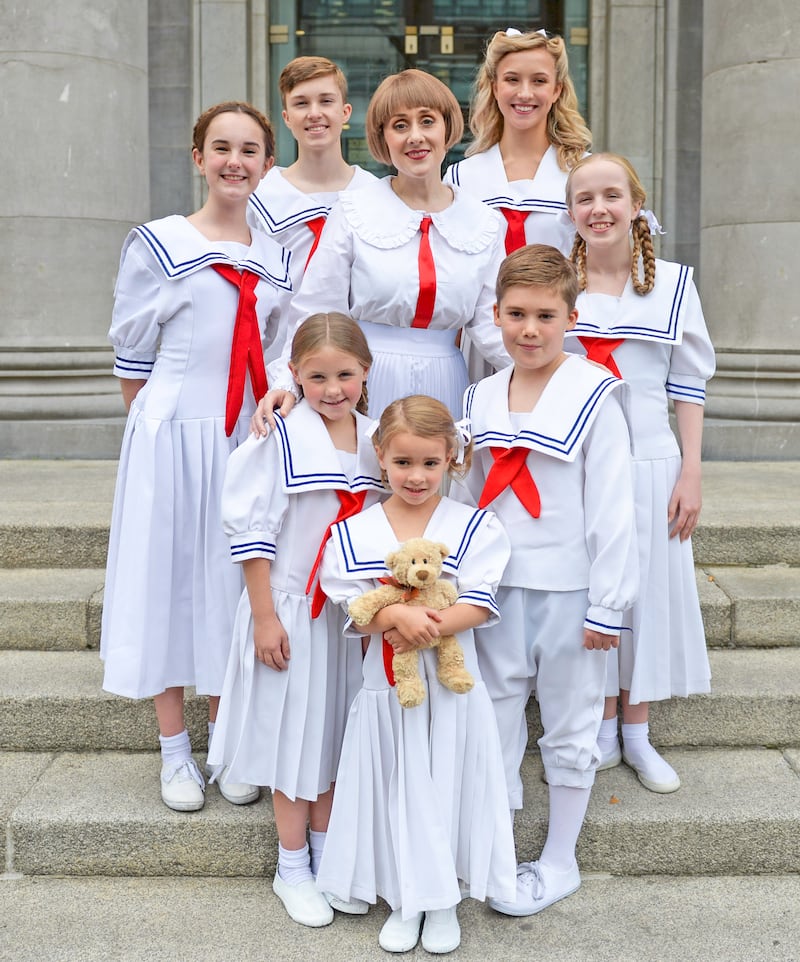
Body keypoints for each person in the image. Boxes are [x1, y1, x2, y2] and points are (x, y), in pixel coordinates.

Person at [100, 101, 292, 813]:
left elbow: (278, 348)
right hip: (175, 433)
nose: (235, 161)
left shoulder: (276, 256)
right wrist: (161, 437)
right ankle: (174, 748)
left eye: (249, 150)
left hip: (245, 439)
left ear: (267, 163)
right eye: (221, 148)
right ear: (199, 158)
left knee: (232, 583)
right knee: (170, 579)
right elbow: (132, 357)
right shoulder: (160, 244)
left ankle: (228, 741)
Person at [450, 244, 638, 916]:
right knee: (495, 718)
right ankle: (497, 851)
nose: (529, 330)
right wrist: (458, 577)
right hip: (497, 591)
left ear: (570, 318)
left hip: (570, 590)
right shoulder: (481, 396)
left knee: (571, 722)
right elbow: (468, 496)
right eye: (516, 314)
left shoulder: (594, 393)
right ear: (496, 315)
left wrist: (607, 605)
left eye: (545, 316)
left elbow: (613, 506)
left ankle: (560, 860)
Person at [316, 396, 517, 954]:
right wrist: (394, 617)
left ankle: (444, 899)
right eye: (403, 462)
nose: (416, 476)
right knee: (398, 784)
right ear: (380, 456)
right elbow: (354, 606)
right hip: (389, 689)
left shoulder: (474, 525)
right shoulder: (354, 531)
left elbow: (479, 602)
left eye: (430, 463)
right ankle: (406, 898)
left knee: (445, 781)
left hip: (451, 687)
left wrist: (420, 627)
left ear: (451, 457)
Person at [208, 313, 386, 929]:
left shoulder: (377, 439)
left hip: (350, 618)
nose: (333, 389)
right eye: (317, 377)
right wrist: (264, 617)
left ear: (366, 372)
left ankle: (325, 852)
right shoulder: (278, 437)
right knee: (293, 737)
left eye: (345, 375)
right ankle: (291, 867)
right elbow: (253, 533)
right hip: (290, 609)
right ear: (294, 376)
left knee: (333, 735)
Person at [564, 152, 716, 793]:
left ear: (635, 205)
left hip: (652, 461)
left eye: (611, 196)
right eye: (584, 199)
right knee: (592, 589)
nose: (598, 209)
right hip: (577, 466)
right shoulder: (559, 284)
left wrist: (691, 472)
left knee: (647, 591)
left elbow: (687, 384)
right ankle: (600, 725)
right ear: (570, 212)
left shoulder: (672, 284)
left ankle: (637, 731)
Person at [252, 68, 510, 431]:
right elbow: (316, 310)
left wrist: (552, 372)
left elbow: (492, 324)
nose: (415, 136)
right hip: (364, 380)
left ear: (447, 128)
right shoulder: (354, 209)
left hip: (447, 382)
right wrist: (287, 382)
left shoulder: (484, 222)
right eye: (400, 125)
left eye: (427, 121)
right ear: (382, 137)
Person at [444, 28, 591, 257]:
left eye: (539, 81)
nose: (524, 93)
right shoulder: (460, 179)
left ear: (556, 90)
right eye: (512, 79)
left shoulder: (586, 173)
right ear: (495, 88)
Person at [248, 56, 377, 290]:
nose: (314, 113)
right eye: (301, 103)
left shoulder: (374, 194)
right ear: (287, 117)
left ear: (345, 112)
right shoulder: (260, 197)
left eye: (326, 101)